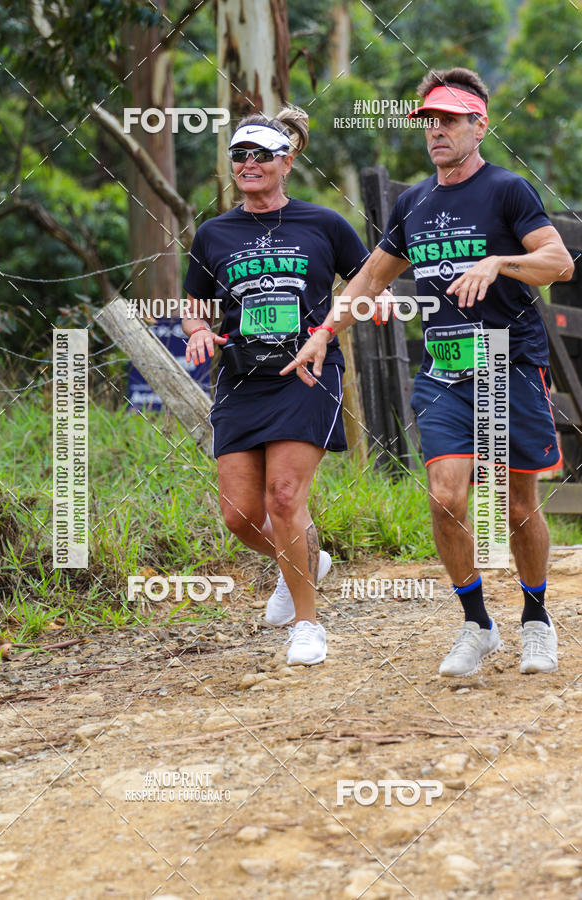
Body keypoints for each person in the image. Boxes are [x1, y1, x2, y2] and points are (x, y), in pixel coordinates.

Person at [282, 68, 574, 676]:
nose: (435, 131)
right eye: (428, 122)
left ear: (479, 124)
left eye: (448, 120)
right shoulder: (413, 202)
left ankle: (537, 619)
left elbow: (558, 263)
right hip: (443, 371)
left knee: (517, 504)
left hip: (507, 363)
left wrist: (498, 262)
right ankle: (477, 625)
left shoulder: (507, 191)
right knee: (445, 499)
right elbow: (369, 278)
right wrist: (323, 333)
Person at [182, 106, 369, 665]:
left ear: (287, 161)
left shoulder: (324, 224)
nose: (248, 164)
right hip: (240, 379)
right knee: (240, 515)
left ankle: (307, 627)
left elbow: (366, 282)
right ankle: (307, 559)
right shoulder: (214, 233)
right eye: (239, 155)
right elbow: (195, 304)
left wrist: (333, 327)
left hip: (306, 373)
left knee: (284, 498)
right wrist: (195, 331)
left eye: (261, 154)